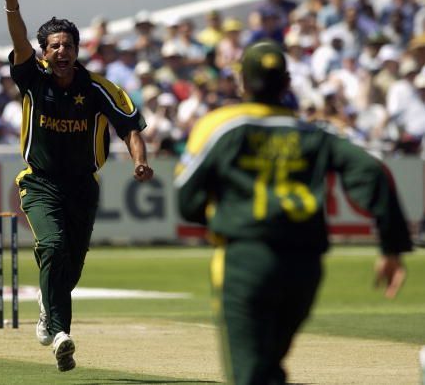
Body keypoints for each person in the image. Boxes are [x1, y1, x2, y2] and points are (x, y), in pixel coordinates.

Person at [174, 41, 412, 385]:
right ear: (286, 83)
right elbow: (372, 172)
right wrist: (391, 247)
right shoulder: (313, 134)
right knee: (270, 366)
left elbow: (187, 200)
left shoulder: (225, 128)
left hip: (247, 259)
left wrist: (220, 216)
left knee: (250, 372)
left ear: (243, 82)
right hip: (305, 266)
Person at [1, 0, 153, 372]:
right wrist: (13, 8)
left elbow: (130, 127)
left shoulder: (98, 88)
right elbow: (19, 45)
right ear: (44, 52)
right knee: (51, 247)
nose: (61, 52)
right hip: (41, 182)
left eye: (68, 45)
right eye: (54, 46)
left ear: (77, 49)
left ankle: (47, 310)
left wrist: (140, 161)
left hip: (83, 185)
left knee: (70, 265)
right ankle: (60, 335)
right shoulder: (34, 78)